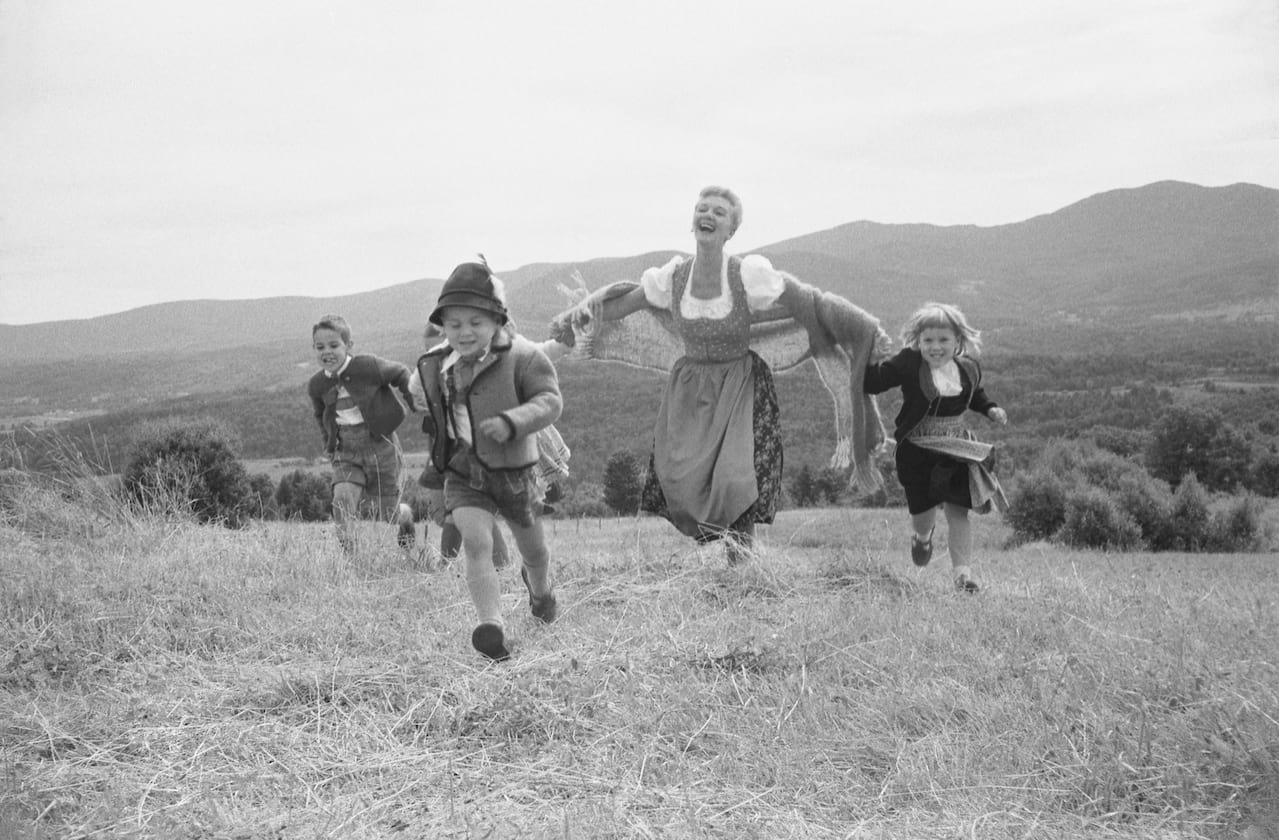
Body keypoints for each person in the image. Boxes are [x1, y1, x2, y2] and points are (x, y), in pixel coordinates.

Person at [550, 186, 888, 564]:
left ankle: (742, 562)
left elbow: (810, 301)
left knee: (734, 477)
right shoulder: (672, 276)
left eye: (719, 212)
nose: (708, 215)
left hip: (741, 383)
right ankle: (731, 553)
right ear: (693, 222)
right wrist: (581, 315)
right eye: (702, 208)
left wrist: (857, 330)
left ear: (731, 230)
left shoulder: (748, 273)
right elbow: (626, 304)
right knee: (678, 479)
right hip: (690, 388)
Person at [415, 260, 563, 661]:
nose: (464, 332)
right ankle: (491, 625)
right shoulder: (436, 363)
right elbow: (419, 393)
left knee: (534, 552)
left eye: (475, 323)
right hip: (464, 471)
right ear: (442, 325)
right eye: (455, 323)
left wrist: (515, 421)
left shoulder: (524, 356)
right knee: (476, 544)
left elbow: (550, 402)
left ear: (497, 320)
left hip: (515, 470)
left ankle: (541, 591)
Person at [863, 302, 1009, 593]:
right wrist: (868, 356)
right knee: (923, 512)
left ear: (958, 341)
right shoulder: (908, 362)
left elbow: (976, 394)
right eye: (928, 340)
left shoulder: (968, 367)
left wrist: (991, 409)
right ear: (918, 341)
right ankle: (923, 537)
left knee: (959, 511)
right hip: (917, 448)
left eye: (943, 340)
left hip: (956, 446)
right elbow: (873, 383)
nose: (935, 347)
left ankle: (963, 577)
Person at [410, 320, 572, 568]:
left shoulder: (508, 353)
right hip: (461, 457)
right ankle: (476, 564)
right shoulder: (443, 372)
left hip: (504, 446)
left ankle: (527, 509)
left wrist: (564, 342)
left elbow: (543, 352)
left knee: (490, 505)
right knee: (460, 512)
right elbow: (421, 386)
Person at [307, 314, 417, 556]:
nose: (327, 352)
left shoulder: (368, 366)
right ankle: (351, 559)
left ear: (348, 346)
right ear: (313, 348)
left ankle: (406, 516)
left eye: (334, 345)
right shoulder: (316, 385)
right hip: (346, 449)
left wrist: (413, 399)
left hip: (381, 446)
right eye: (320, 346)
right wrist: (329, 443)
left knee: (388, 513)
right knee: (342, 501)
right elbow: (320, 415)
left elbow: (400, 372)